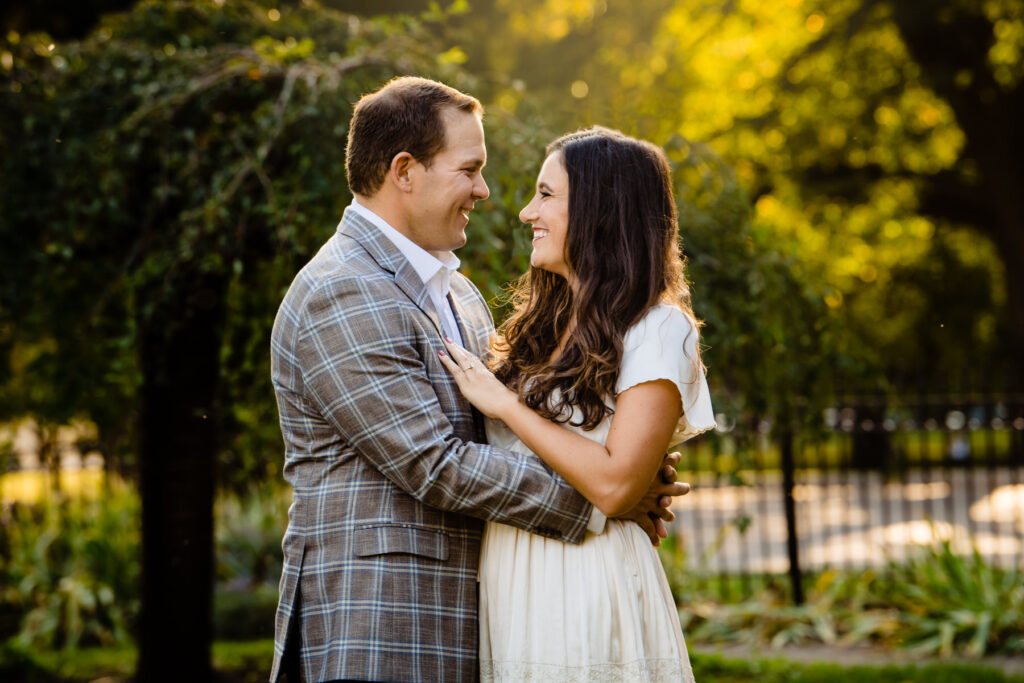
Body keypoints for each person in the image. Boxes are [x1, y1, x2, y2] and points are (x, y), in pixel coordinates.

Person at [269, 77, 688, 683]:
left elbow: (509, 431)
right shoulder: (344, 289)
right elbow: (433, 463)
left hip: (484, 617)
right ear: (405, 171)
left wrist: (616, 464)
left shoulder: (457, 294)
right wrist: (607, 497)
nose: (485, 191)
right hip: (378, 628)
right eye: (469, 170)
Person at [439, 126, 715, 681]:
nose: (525, 213)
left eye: (545, 195)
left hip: (588, 581)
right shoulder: (537, 332)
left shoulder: (659, 329)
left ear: (599, 207)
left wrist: (507, 407)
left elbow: (615, 486)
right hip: (511, 582)